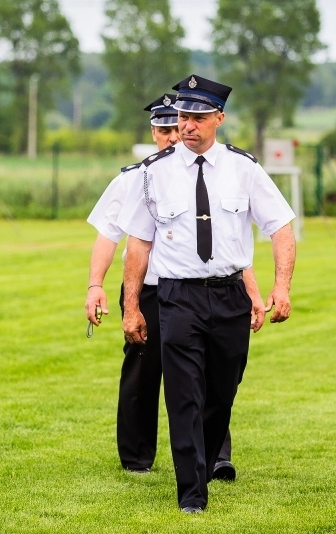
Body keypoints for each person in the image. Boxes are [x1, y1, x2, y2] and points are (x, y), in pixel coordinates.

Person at [117, 74, 296, 513]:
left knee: (221, 393)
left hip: (230, 296)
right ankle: (192, 493)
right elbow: (138, 244)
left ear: (219, 118)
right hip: (178, 298)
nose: (188, 125)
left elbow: (281, 228)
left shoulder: (244, 168)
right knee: (183, 396)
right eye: (183, 116)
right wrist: (131, 306)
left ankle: (207, 455)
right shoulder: (153, 173)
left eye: (197, 117)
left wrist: (280, 286)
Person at [85, 93, 258, 477]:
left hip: (201, 289)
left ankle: (216, 456)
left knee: (208, 376)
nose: (172, 136)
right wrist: (95, 285)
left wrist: (253, 293)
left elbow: (230, 246)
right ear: (155, 131)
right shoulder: (135, 177)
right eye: (164, 129)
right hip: (149, 290)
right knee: (143, 373)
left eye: (174, 127)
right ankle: (137, 457)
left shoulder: (215, 170)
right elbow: (108, 236)